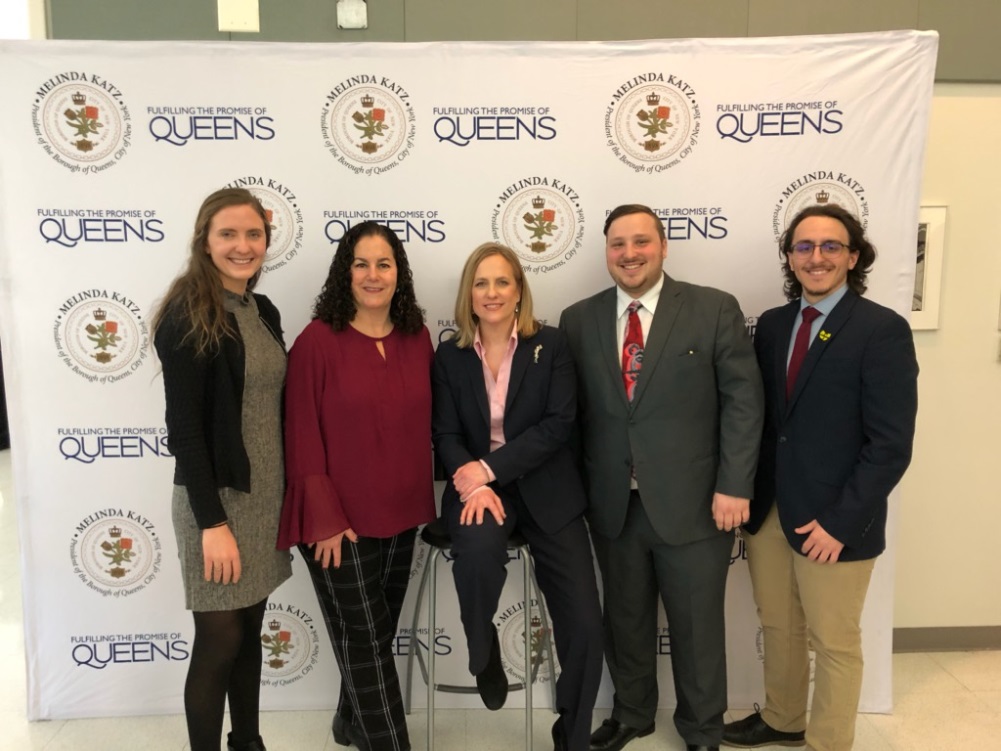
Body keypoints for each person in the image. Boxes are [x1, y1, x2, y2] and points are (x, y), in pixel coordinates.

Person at [559, 204, 764, 751]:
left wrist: (736, 484)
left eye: (642, 242)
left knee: (697, 627)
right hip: (612, 504)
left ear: (664, 246)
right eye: (618, 244)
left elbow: (742, 403)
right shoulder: (578, 319)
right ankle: (632, 714)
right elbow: (572, 416)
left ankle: (701, 730)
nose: (630, 254)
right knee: (624, 620)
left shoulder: (713, 308)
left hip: (697, 504)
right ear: (606, 252)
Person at [722, 204, 918, 751]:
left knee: (834, 640)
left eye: (831, 246)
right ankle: (784, 720)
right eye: (804, 247)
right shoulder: (776, 324)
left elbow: (890, 446)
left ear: (853, 257)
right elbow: (763, 422)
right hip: (771, 512)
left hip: (835, 520)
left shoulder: (882, 330)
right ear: (789, 257)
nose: (817, 257)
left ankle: (827, 741)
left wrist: (840, 523)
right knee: (780, 627)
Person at [432, 242, 603, 751]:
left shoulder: (550, 345)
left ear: (519, 290)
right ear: (469, 293)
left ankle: (572, 736)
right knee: (480, 555)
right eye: (481, 283)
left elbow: (557, 426)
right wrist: (471, 477)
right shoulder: (450, 355)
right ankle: (482, 653)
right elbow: (444, 433)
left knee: (584, 623)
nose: (491, 292)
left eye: (502, 281)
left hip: (547, 492)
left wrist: (488, 469)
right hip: (475, 493)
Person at [278, 221, 435, 751]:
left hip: (402, 512)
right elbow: (300, 435)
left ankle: (350, 725)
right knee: (367, 641)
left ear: (399, 274)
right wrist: (323, 517)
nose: (373, 274)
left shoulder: (418, 338)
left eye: (384, 264)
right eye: (361, 263)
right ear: (345, 273)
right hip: (335, 523)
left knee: (375, 633)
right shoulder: (316, 342)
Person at [153, 187, 292, 751]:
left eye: (253, 234)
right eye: (228, 234)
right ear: (204, 242)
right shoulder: (190, 315)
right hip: (215, 505)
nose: (243, 245)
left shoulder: (261, 310)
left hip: (262, 501)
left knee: (249, 634)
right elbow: (183, 431)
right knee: (217, 641)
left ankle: (249, 742)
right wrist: (212, 524)